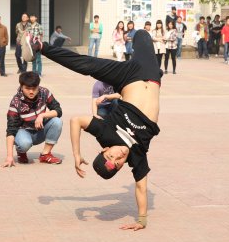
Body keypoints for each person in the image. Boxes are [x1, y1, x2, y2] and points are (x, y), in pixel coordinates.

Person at [32, 30, 161, 230]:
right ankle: (139, 47)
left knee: (88, 64)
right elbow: (141, 187)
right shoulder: (136, 155)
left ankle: (41, 47)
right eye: (118, 163)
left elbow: (76, 121)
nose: (119, 156)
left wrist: (76, 154)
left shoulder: (106, 134)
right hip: (150, 74)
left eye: (111, 156)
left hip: (126, 76)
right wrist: (141, 220)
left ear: (104, 150)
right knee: (144, 37)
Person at [3, 72, 63, 167]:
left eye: (34, 89)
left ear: (38, 86)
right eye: (27, 88)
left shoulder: (44, 92)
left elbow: (58, 110)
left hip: (40, 129)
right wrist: (9, 156)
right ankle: (21, 152)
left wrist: (42, 116)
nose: (31, 92)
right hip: (24, 132)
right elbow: (10, 130)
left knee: (57, 121)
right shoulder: (15, 102)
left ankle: (45, 154)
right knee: (24, 144)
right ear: (21, 87)